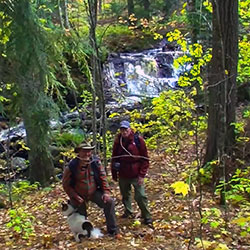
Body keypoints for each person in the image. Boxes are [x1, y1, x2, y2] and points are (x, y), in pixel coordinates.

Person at [62, 143, 119, 237]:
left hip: (93, 192)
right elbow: (66, 185)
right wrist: (75, 196)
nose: (87, 154)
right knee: (79, 215)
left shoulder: (95, 163)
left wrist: (106, 192)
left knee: (109, 202)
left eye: (89, 151)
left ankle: (112, 230)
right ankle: (83, 233)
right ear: (79, 152)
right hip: (78, 194)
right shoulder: (72, 166)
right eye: (84, 151)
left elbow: (103, 177)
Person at [111, 121, 152, 225]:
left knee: (141, 196)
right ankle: (128, 211)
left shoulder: (138, 140)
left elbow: (145, 159)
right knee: (125, 194)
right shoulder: (118, 141)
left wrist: (142, 175)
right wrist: (114, 173)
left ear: (130, 129)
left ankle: (146, 215)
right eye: (122, 130)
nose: (124, 132)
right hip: (123, 173)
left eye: (126, 129)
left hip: (136, 173)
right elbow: (114, 158)